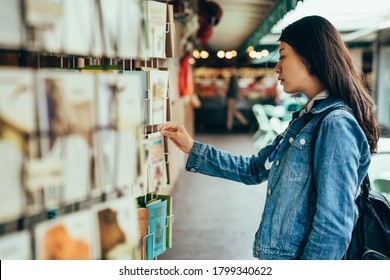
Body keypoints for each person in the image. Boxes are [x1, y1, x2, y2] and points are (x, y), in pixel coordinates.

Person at [160, 15, 380, 260]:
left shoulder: (335, 125)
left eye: (283, 55)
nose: (277, 67)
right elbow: (253, 169)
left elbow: (333, 226)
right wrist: (192, 148)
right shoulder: (305, 119)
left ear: (310, 56)